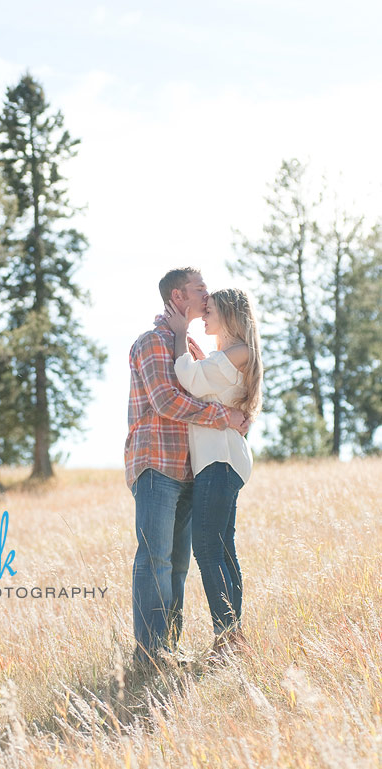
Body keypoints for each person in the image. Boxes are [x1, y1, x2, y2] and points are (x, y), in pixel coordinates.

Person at [125, 268, 251, 666]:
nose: (207, 293)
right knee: (155, 559)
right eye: (200, 288)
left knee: (178, 564)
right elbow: (167, 401)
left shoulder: (193, 347)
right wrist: (224, 417)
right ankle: (149, 653)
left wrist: (234, 415)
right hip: (158, 462)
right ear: (178, 296)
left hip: (191, 470)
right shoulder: (153, 342)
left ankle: (168, 649)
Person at [164, 287, 263, 659]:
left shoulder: (237, 352)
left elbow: (190, 379)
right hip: (221, 460)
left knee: (207, 548)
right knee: (222, 548)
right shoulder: (229, 354)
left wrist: (177, 335)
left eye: (211, 311)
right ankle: (233, 638)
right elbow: (206, 384)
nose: (204, 316)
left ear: (230, 315)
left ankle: (227, 638)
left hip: (220, 460)